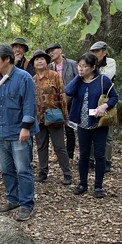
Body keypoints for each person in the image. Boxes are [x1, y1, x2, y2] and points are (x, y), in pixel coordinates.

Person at [0, 43, 39, 221]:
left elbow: (30, 104)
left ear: (7, 59)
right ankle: (12, 199)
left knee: (23, 169)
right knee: (6, 170)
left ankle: (26, 204)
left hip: (18, 132)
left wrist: (26, 128)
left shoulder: (24, 78)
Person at [65, 53, 119, 198]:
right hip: (82, 124)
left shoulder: (103, 80)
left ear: (93, 67)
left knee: (100, 155)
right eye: (79, 66)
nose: (81, 69)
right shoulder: (79, 81)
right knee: (83, 154)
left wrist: (104, 106)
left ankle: (98, 186)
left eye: (85, 66)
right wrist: (78, 76)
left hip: (99, 124)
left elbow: (115, 96)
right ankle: (82, 183)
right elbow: (68, 91)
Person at [32, 49, 72, 185]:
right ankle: (43, 172)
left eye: (42, 59)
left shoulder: (54, 76)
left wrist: (65, 117)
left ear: (46, 61)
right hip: (39, 118)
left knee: (59, 146)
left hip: (54, 117)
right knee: (41, 146)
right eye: (36, 59)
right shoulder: (33, 80)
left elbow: (62, 96)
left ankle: (67, 174)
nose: (39, 61)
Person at [46, 43, 78, 161]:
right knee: (55, 128)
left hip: (70, 101)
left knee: (69, 129)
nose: (51, 53)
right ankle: (57, 153)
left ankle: (69, 155)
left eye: (53, 50)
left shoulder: (72, 64)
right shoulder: (49, 67)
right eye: (49, 51)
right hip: (55, 103)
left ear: (60, 50)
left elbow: (78, 80)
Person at [90, 41, 116, 172]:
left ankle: (106, 161)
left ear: (104, 52)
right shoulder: (90, 63)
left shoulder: (110, 62)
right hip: (92, 101)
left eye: (97, 51)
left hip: (107, 101)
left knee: (107, 131)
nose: (95, 54)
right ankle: (91, 159)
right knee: (90, 128)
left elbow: (105, 78)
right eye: (93, 52)